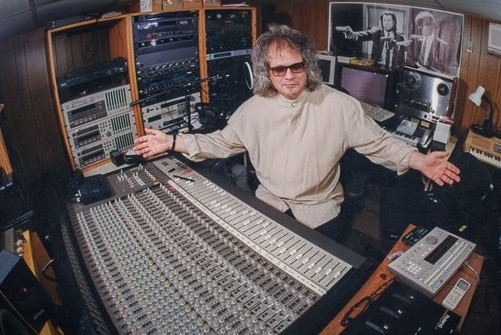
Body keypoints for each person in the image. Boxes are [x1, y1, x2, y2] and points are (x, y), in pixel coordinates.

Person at [133, 24, 460, 240]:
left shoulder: (339, 105)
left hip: (321, 214)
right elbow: (220, 142)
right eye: (279, 68)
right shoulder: (253, 109)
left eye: (296, 66)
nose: (289, 75)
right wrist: (173, 141)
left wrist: (418, 160)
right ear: (267, 72)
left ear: (308, 65)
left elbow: (379, 142)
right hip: (268, 206)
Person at [341, 11, 409, 69]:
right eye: (384, 20)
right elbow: (365, 35)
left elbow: (402, 59)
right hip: (377, 67)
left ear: (394, 22)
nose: (386, 23)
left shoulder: (401, 38)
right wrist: (352, 35)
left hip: (393, 69)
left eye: (389, 20)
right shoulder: (377, 33)